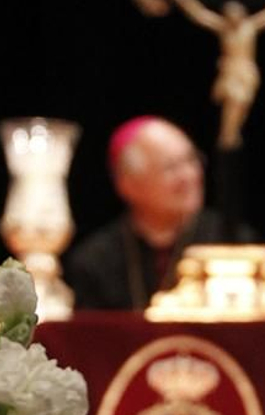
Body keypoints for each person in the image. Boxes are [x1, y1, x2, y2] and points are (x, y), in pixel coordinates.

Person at [64, 117, 251, 311]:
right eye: (171, 167)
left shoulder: (233, 242)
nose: (189, 175)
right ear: (128, 184)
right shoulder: (95, 262)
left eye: (191, 159)